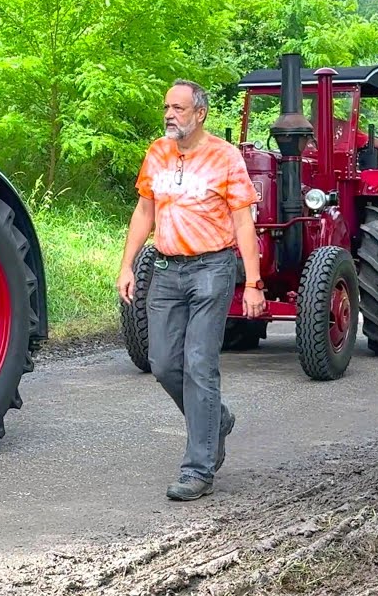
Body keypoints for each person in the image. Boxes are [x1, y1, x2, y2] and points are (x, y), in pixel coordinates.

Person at [117, 79, 265, 502]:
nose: (169, 115)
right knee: (163, 363)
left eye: (178, 108)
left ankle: (198, 467)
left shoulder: (225, 157)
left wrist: (253, 283)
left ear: (199, 114)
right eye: (166, 107)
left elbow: (243, 223)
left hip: (211, 269)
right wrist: (127, 264)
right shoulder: (157, 153)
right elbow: (145, 209)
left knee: (200, 363)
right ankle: (215, 419)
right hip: (165, 270)